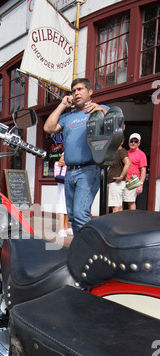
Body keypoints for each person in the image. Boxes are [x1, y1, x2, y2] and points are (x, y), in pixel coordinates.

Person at [44, 78, 109, 234]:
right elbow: (48, 127)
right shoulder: (68, 117)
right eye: (73, 91)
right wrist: (62, 105)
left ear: (90, 91)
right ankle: (82, 248)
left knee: (80, 214)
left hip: (88, 169)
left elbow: (120, 125)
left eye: (80, 89)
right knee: (73, 215)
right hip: (70, 171)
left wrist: (102, 111)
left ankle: (86, 251)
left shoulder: (99, 110)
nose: (76, 93)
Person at [123, 133, 147, 210]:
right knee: (121, 202)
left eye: (135, 141)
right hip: (123, 180)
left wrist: (141, 184)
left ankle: (132, 220)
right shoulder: (125, 153)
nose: (133, 143)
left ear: (139, 143)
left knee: (131, 202)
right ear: (128, 142)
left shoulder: (141, 154)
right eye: (131, 141)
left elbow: (143, 170)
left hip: (133, 180)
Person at [107, 140, 131, 212]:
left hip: (116, 183)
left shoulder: (121, 151)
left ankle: (115, 223)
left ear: (122, 142)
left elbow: (128, 163)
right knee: (119, 205)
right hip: (114, 183)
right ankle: (120, 222)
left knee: (115, 207)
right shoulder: (115, 152)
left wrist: (121, 176)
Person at [54, 154, 73, 238]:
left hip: (70, 184)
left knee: (68, 205)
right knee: (62, 205)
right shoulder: (65, 154)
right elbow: (61, 162)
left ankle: (65, 227)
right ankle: (61, 228)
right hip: (63, 185)